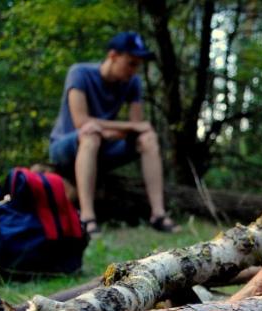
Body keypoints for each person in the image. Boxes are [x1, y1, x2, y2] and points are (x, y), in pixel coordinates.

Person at [49, 31, 177, 236]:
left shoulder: (132, 83)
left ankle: (158, 214)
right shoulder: (80, 73)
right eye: (131, 63)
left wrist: (112, 130)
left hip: (104, 147)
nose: (134, 70)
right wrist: (122, 128)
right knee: (90, 134)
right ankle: (88, 218)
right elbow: (81, 122)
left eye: (138, 65)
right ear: (113, 56)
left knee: (148, 138)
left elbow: (138, 128)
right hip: (65, 147)